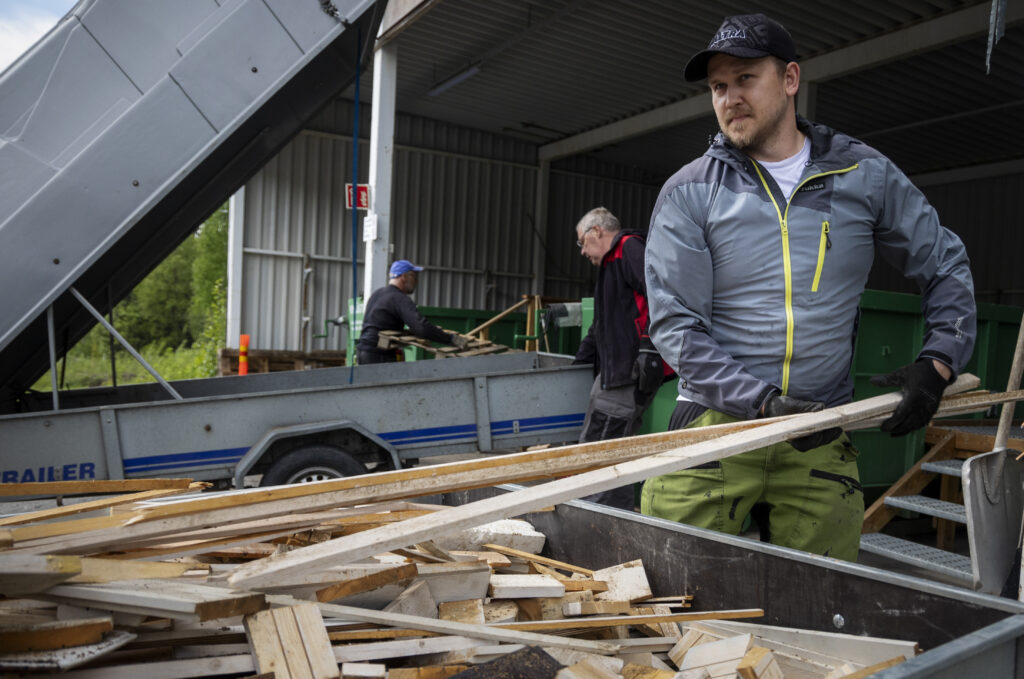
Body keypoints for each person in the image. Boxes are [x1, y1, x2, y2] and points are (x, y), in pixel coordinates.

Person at [642, 13, 976, 561]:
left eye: (745, 78)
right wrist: (763, 403)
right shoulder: (692, 191)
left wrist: (938, 363)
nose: (730, 98)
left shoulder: (862, 175)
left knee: (823, 611)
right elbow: (676, 326)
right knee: (673, 601)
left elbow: (944, 263)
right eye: (718, 87)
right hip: (714, 425)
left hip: (821, 432)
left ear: (790, 79)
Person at [573, 207, 672, 510]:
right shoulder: (610, 265)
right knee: (605, 441)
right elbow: (601, 324)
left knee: (604, 444)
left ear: (597, 231)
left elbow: (661, 295)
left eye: (581, 242)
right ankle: (605, 510)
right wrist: (577, 364)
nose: (582, 252)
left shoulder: (629, 248)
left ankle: (600, 514)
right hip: (616, 369)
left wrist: (649, 348)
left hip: (630, 369)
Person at [356, 260, 468, 364]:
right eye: (414, 277)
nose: (416, 281)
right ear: (404, 277)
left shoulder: (378, 294)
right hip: (379, 355)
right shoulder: (399, 298)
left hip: (362, 352)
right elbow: (421, 328)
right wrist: (451, 339)